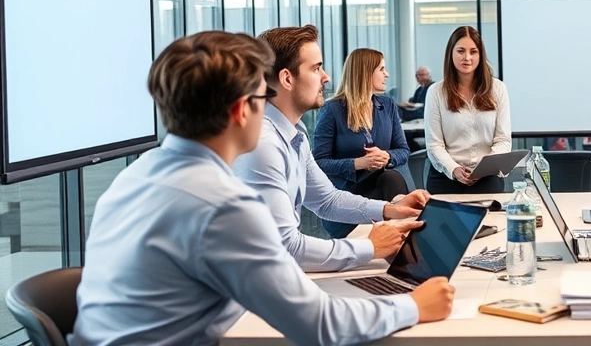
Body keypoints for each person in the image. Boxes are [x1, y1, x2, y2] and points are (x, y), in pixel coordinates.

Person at [70, 31, 453, 346]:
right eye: (260, 97)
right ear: (241, 111)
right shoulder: (222, 204)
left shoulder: (136, 175)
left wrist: (388, 211)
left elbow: (325, 199)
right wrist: (414, 306)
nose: (266, 107)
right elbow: (318, 324)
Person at [234, 25, 431, 273]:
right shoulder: (262, 145)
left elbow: (327, 200)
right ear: (287, 78)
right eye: (316, 68)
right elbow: (287, 248)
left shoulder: (295, 134)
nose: (326, 77)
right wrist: (370, 247)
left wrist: (390, 209)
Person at [313, 48, 413, 238]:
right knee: (391, 181)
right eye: (382, 69)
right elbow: (318, 162)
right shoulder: (332, 110)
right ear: (366, 72)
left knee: (391, 177)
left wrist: (387, 157)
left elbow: (403, 150)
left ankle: (401, 240)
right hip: (347, 196)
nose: (387, 74)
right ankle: (406, 242)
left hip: (381, 189)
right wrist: (357, 164)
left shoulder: (387, 105)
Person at [424, 25, 511, 194]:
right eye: (461, 51)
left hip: (487, 178)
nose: (467, 57)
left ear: (481, 55)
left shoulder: (498, 88)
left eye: (473, 52)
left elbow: (503, 140)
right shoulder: (436, 92)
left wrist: (485, 167)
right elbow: (434, 144)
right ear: (451, 53)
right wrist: (454, 169)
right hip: (446, 178)